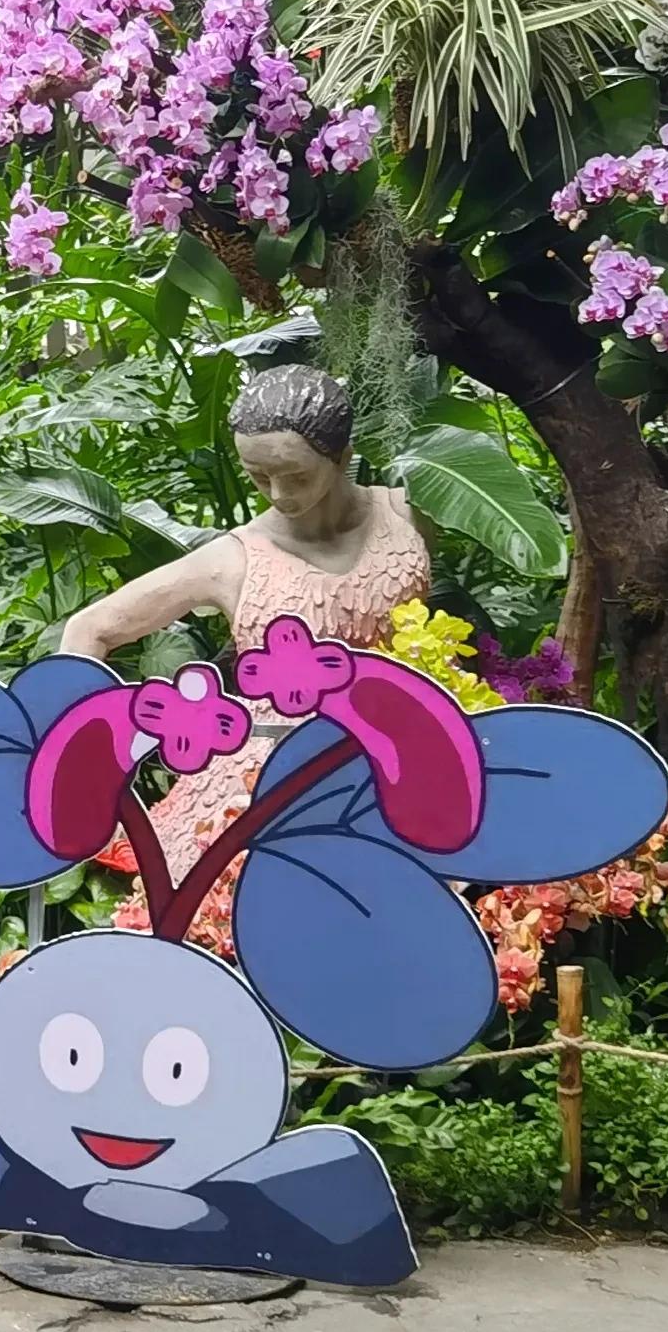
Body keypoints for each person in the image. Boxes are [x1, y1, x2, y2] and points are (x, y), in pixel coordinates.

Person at [56, 362, 430, 955]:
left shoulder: (407, 514)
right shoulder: (234, 559)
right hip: (268, 780)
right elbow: (89, 628)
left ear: (343, 454)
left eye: (296, 475)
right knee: (241, 935)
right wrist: (88, 756)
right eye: (259, 478)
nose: (280, 496)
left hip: (402, 759)